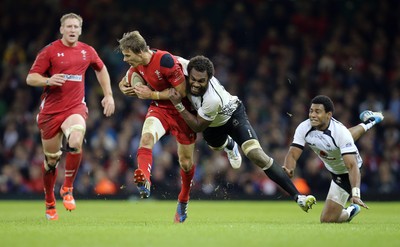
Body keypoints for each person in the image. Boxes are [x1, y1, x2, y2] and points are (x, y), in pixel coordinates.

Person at [167, 55, 316, 212]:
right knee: (216, 147)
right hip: (212, 125)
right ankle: (229, 145)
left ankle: (298, 197)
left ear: (209, 79)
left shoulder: (212, 98)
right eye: (193, 79)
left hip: (233, 116)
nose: (196, 84)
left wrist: (178, 105)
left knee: (256, 155)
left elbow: (197, 127)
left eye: (201, 81)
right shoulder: (183, 66)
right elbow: (163, 58)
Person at [26, 13, 115, 220]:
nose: (73, 30)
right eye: (69, 26)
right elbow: (31, 78)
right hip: (50, 112)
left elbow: (101, 69)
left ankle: (67, 188)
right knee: (51, 161)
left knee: (76, 140)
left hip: (75, 108)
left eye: (76, 26)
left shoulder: (87, 51)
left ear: (81, 30)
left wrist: (109, 95)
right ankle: (49, 202)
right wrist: (48, 81)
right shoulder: (49, 51)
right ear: (62, 29)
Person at [117, 31, 197, 223]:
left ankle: (183, 200)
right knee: (146, 138)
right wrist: (125, 88)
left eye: (127, 55)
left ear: (138, 51)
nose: (124, 59)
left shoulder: (165, 61)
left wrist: (150, 95)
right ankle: (144, 178)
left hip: (182, 112)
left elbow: (181, 92)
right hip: (160, 110)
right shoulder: (137, 66)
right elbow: (123, 82)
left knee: (185, 163)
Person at [282, 95, 384, 223]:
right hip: (333, 165)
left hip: (345, 173)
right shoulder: (304, 127)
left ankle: (350, 211)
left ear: (328, 114)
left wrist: (356, 194)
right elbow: (292, 153)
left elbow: (352, 166)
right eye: (311, 111)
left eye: (317, 112)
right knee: (345, 137)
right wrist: (289, 167)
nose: (312, 115)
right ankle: (370, 121)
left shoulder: (340, 132)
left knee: (327, 220)